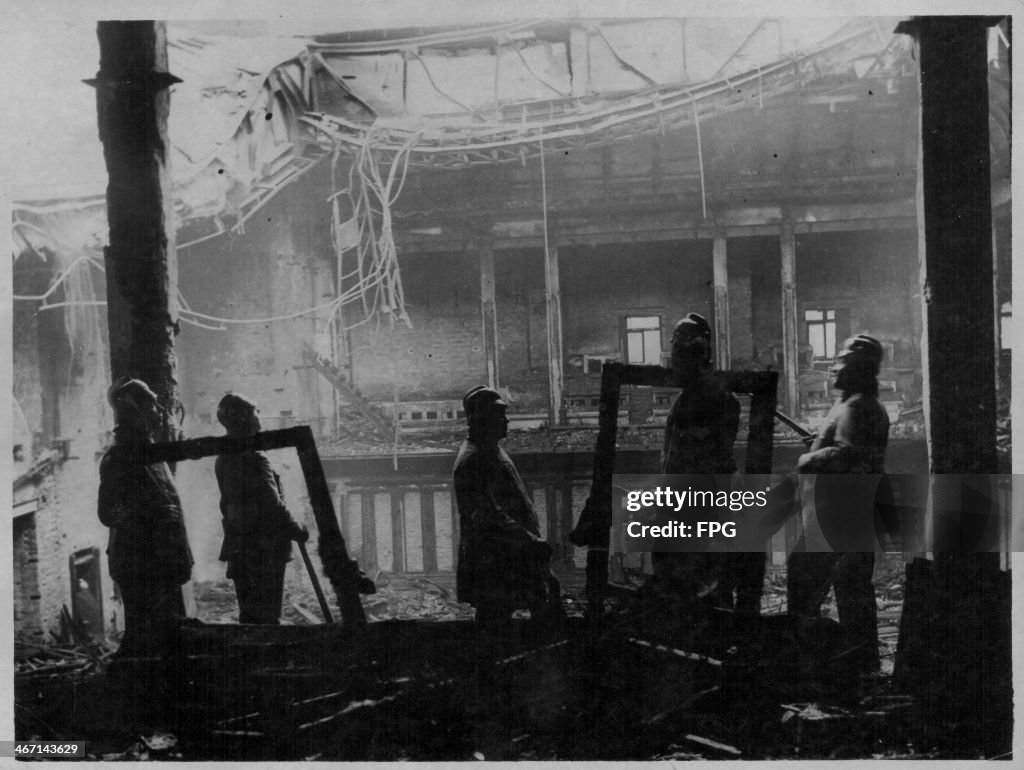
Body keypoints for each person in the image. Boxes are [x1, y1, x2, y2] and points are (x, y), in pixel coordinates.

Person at [787, 334, 889, 678]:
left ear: (860, 367)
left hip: (835, 521)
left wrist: (809, 456)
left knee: (806, 591)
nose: (834, 367)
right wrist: (821, 441)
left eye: (842, 361)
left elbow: (849, 455)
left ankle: (809, 671)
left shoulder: (858, 406)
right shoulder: (854, 404)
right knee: (854, 595)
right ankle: (862, 670)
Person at [651, 313, 764, 612]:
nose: (675, 359)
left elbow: (707, 460)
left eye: (682, 351)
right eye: (675, 351)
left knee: (709, 584)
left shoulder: (719, 398)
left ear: (700, 355)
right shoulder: (686, 398)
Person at [453, 386, 564, 633]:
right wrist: (532, 541)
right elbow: (488, 517)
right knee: (496, 625)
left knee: (516, 615)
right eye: (499, 415)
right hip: (495, 563)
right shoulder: (474, 459)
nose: (507, 420)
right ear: (481, 419)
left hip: (507, 558)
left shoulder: (488, 450)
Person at [97, 377, 193, 656]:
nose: (157, 410)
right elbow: (108, 514)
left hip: (164, 564)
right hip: (142, 567)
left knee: (170, 639)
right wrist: (135, 513)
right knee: (147, 644)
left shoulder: (153, 454)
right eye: (149, 404)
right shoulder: (119, 458)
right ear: (132, 411)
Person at [215, 393, 309, 624]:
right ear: (246, 417)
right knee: (268, 616)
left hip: (239, 544)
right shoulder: (256, 458)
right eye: (257, 412)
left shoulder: (223, 457)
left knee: (249, 615)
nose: (260, 417)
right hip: (264, 547)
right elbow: (273, 505)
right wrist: (297, 529)